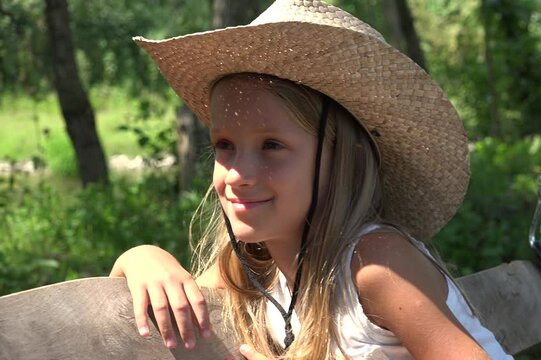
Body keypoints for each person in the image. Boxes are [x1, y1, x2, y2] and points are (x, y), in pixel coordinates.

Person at [110, 1, 513, 359]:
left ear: (340, 158)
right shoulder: (252, 267)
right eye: (224, 145)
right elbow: (157, 306)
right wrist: (141, 257)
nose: (238, 174)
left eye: (271, 145)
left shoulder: (373, 263)